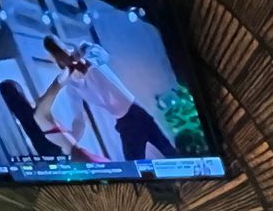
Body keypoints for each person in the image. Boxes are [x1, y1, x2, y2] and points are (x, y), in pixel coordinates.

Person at [42, 34, 176, 163]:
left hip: (137, 112)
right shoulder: (71, 84)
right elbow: (79, 120)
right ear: (57, 60)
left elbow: (104, 56)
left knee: (170, 154)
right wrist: (70, 145)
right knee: (135, 168)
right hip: (125, 121)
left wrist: (85, 52)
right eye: (60, 56)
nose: (67, 56)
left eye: (65, 51)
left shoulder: (87, 51)